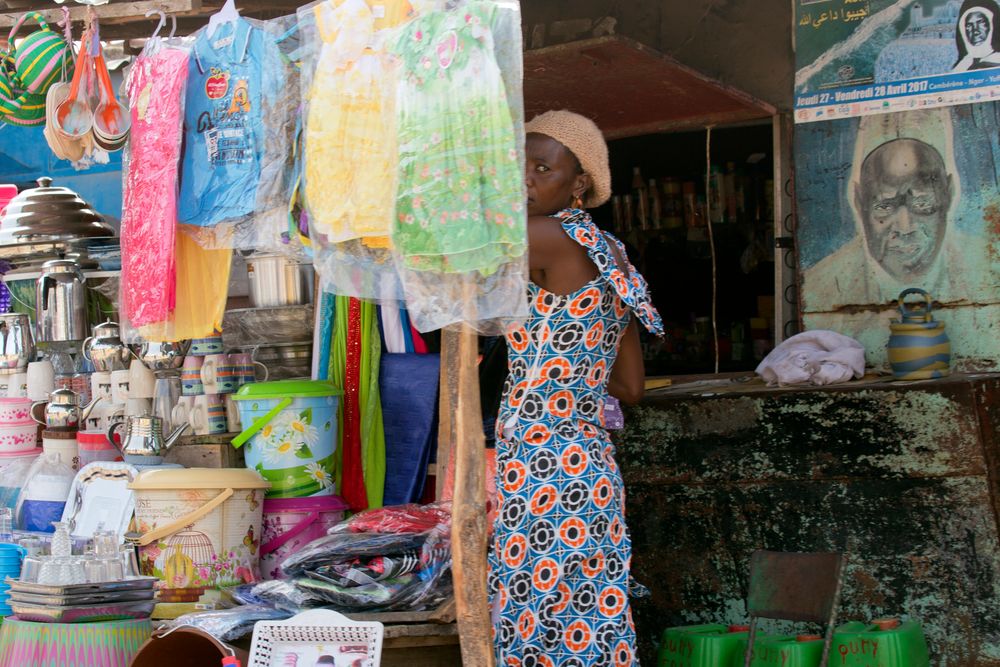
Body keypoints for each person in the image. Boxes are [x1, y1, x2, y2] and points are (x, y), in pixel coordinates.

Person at [488, 110, 663, 666]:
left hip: (541, 464)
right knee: (586, 623)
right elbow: (630, 386)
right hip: (588, 467)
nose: (525, 182)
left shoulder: (545, 235)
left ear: (579, 183)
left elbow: (456, 251)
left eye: (543, 168)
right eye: (520, 166)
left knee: (533, 621)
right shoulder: (612, 255)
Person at [953, 0, 1000, 71]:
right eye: (969, 25)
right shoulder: (961, 66)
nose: (975, 31)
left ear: (992, 25)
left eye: (980, 23)